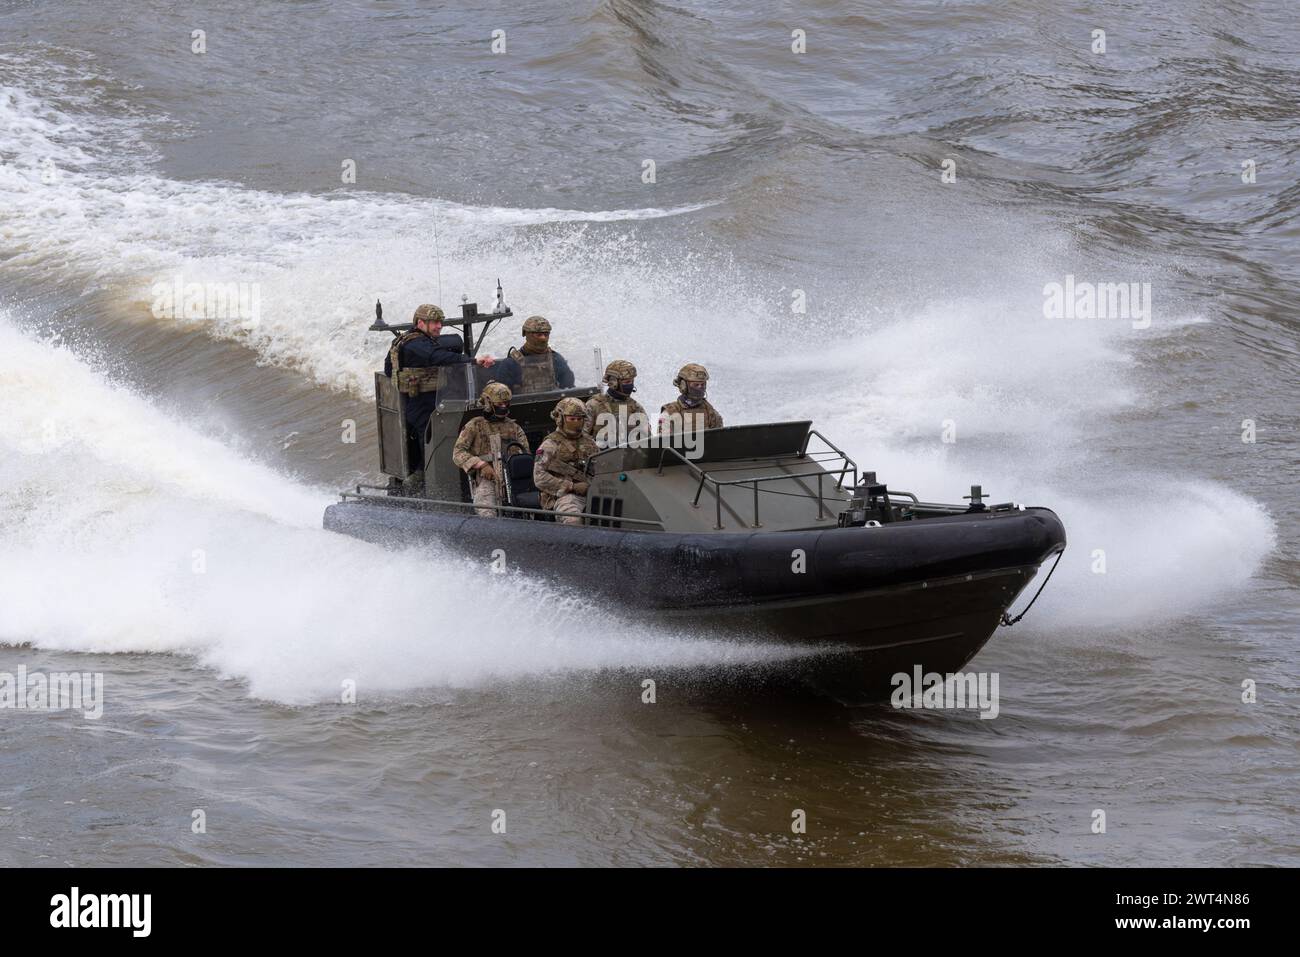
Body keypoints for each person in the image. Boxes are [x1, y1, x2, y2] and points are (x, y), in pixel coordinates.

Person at [384, 303, 497, 443]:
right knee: (431, 442)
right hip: (422, 404)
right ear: (420, 323)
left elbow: (388, 369)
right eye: (435, 323)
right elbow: (437, 356)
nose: (439, 326)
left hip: (421, 402)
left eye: (440, 322)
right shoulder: (416, 344)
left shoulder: (403, 340)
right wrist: (473, 360)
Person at [452, 383, 529, 518]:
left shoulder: (514, 428)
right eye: (500, 404)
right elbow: (458, 453)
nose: (504, 407)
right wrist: (481, 465)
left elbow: (525, 455)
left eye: (506, 403)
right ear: (489, 403)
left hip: (513, 478)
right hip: (487, 479)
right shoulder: (475, 425)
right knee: (486, 510)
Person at [533, 397, 598, 525]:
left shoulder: (590, 442)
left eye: (580, 419)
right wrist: (571, 486)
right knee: (573, 520)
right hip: (564, 497)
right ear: (560, 419)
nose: (576, 422)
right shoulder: (550, 444)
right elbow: (539, 477)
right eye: (572, 419)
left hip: (593, 492)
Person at [491, 315, 574, 394]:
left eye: (546, 334)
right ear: (526, 334)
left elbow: (569, 389)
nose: (543, 338)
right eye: (539, 334)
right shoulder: (511, 364)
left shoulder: (556, 359)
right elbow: (501, 397)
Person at [584, 359, 647, 448]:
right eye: (626, 382)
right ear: (613, 383)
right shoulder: (594, 405)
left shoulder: (636, 408)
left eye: (632, 381)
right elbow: (582, 438)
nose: (630, 385)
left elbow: (646, 441)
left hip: (631, 458)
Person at [658, 363, 723, 441]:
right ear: (683, 386)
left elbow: (719, 442)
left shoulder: (710, 412)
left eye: (702, 384)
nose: (700, 388)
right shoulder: (669, 413)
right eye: (696, 385)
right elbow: (664, 445)